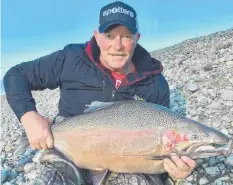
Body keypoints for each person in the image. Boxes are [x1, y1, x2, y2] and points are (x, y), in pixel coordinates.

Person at [4, 1, 196, 184]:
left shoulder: (155, 83)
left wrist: (175, 172)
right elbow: (16, 75)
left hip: (128, 161)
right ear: (97, 36)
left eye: (127, 36)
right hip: (67, 151)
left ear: (137, 38)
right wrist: (28, 117)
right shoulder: (70, 58)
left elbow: (162, 150)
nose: (117, 45)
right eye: (109, 36)